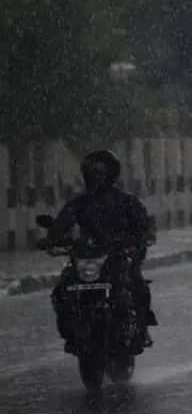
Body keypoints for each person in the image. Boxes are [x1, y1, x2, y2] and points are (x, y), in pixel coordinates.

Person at [46, 149, 156, 351]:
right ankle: (71, 331)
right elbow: (62, 224)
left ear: (111, 173)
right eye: (93, 172)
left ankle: (141, 328)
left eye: (101, 172)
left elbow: (144, 224)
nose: (97, 176)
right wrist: (51, 237)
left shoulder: (126, 201)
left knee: (136, 283)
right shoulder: (79, 203)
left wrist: (144, 236)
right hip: (88, 257)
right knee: (62, 289)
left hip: (118, 254)